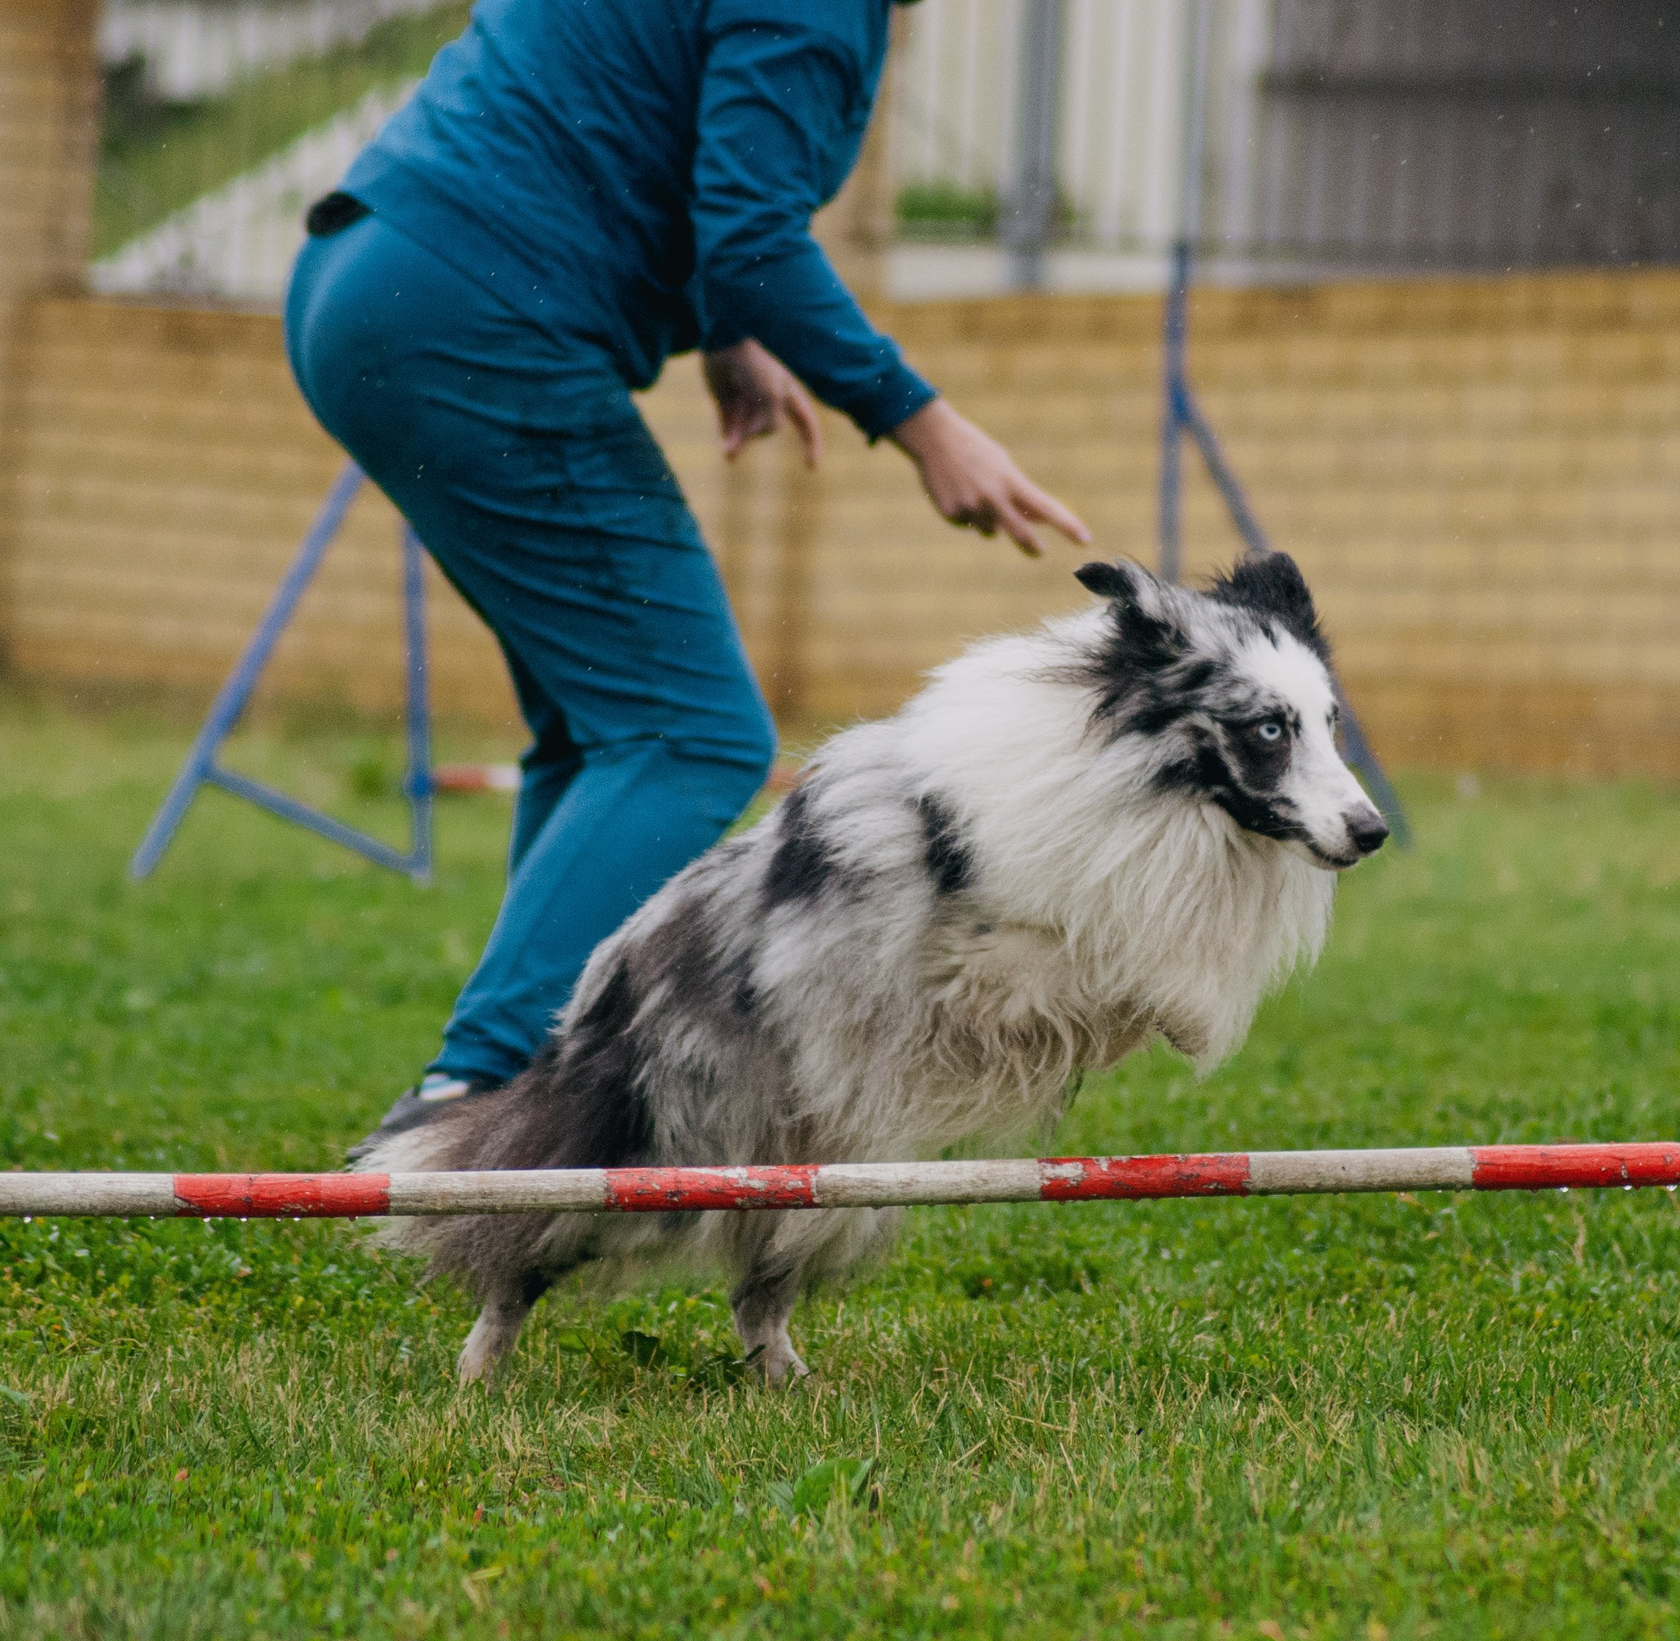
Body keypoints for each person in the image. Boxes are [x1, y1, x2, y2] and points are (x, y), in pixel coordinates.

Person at [284, 0, 1090, 1143]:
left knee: (602, 731)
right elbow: (752, 239)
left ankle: (535, 1089)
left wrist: (725, 332)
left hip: (369, 280)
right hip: (480, 316)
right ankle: (475, 1101)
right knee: (688, 732)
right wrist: (922, 424)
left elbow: (646, 126)